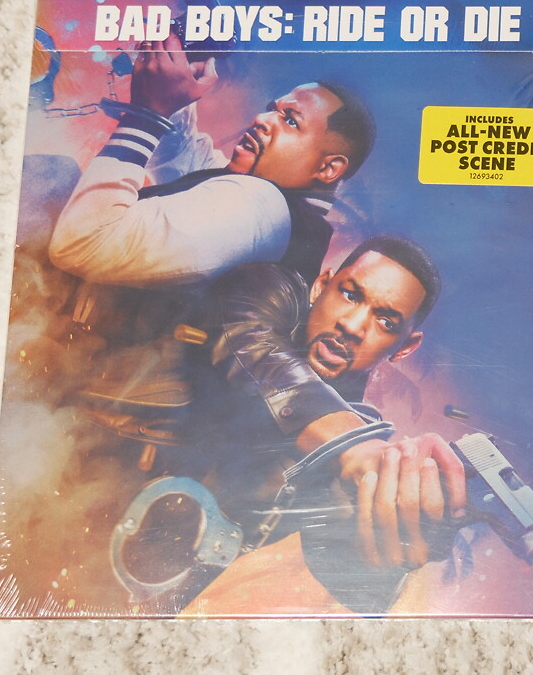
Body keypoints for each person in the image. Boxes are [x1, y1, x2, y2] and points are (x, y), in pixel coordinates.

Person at [166, 236, 468, 613]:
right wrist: (352, 446)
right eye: (350, 295)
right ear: (321, 285)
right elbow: (254, 344)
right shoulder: (268, 289)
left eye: (385, 321)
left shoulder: (370, 449)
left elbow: (348, 581)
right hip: (111, 481)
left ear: (405, 347)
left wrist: (405, 532)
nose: (352, 325)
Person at [50, 36, 376, 290]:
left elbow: (82, 243)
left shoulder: (259, 209)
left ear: (328, 169)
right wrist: (178, 72)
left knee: (51, 173)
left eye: (290, 120)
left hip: (87, 351)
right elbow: (182, 154)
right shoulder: (266, 205)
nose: (261, 119)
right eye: (271, 109)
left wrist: (147, 115)